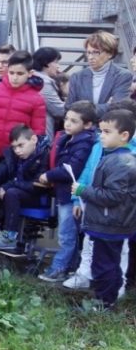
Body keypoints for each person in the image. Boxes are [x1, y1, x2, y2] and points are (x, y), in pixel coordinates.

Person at [63, 99, 136, 292]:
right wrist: (77, 198)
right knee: (89, 242)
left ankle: (117, 288)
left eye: (107, 130)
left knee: (120, 250)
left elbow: (119, 192)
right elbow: (88, 170)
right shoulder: (99, 146)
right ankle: (85, 275)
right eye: (102, 130)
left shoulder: (128, 154)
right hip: (93, 202)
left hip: (118, 213)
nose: (101, 135)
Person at [36, 101, 96, 281]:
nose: (67, 124)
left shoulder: (84, 143)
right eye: (67, 119)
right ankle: (71, 266)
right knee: (69, 233)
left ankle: (59, 268)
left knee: (66, 235)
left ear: (87, 125)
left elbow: (72, 169)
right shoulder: (68, 138)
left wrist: (49, 175)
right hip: (64, 193)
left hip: (71, 195)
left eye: (74, 121)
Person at [0, 125, 50, 250]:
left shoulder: (45, 155)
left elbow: (37, 185)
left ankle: (10, 236)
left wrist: (9, 185)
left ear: (34, 139)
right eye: (14, 147)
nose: (17, 150)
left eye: (21, 145)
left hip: (36, 195)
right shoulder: (13, 156)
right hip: (14, 191)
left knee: (11, 192)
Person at [0, 51, 46, 178]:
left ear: (30, 74)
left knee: (6, 192)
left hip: (16, 153)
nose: (15, 77)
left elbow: (37, 130)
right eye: (11, 73)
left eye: (20, 73)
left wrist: (30, 153)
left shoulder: (37, 99)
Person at [66, 31, 131, 118]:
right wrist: (107, 106)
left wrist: (81, 110)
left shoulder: (122, 76)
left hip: (108, 128)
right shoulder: (77, 76)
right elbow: (69, 107)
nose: (90, 57)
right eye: (88, 52)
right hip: (81, 129)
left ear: (110, 53)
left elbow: (118, 109)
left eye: (96, 52)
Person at [32, 47, 66, 139]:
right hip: (43, 133)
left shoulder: (34, 78)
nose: (58, 66)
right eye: (55, 62)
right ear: (46, 63)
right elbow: (59, 110)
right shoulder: (44, 83)